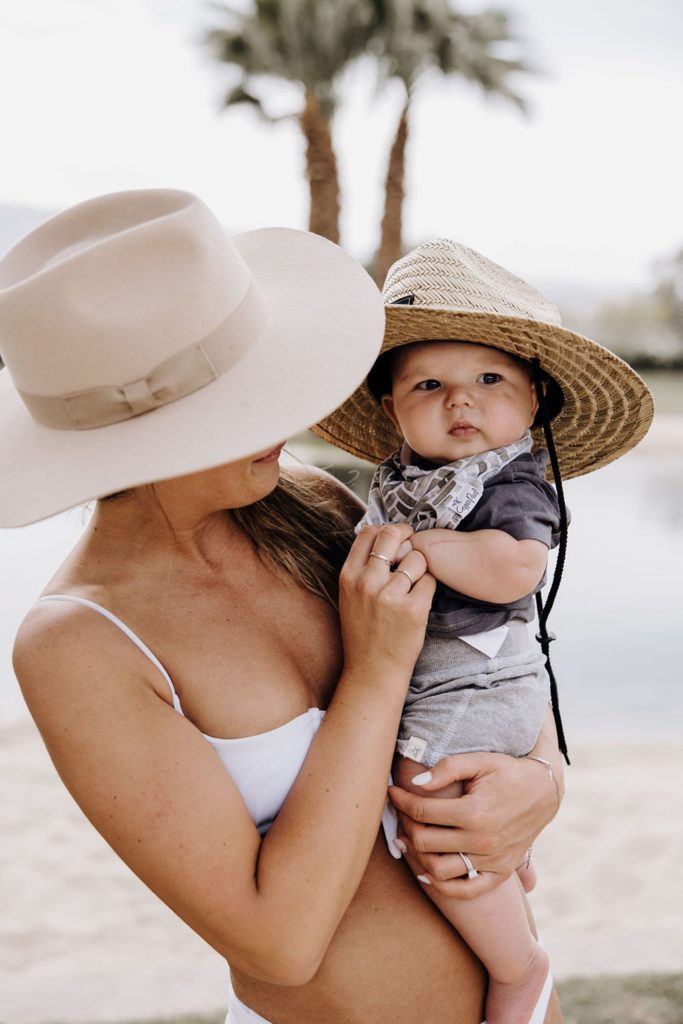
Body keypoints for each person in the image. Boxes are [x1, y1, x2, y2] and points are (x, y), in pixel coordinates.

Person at [0, 191, 572, 1024]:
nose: (291, 414)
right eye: (246, 396)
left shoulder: (307, 503)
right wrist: (372, 675)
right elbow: (279, 942)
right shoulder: (82, 643)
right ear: (144, 435)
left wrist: (540, 777)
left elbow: (486, 652)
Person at [313, 239, 653, 1024]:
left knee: (422, 801)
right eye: (429, 384)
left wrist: (422, 546)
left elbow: (513, 571)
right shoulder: (401, 479)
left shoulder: (514, 481)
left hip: (479, 674)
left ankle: (517, 965)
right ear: (391, 409)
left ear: (532, 401)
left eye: (488, 380)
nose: (460, 402)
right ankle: (508, 858)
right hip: (437, 675)